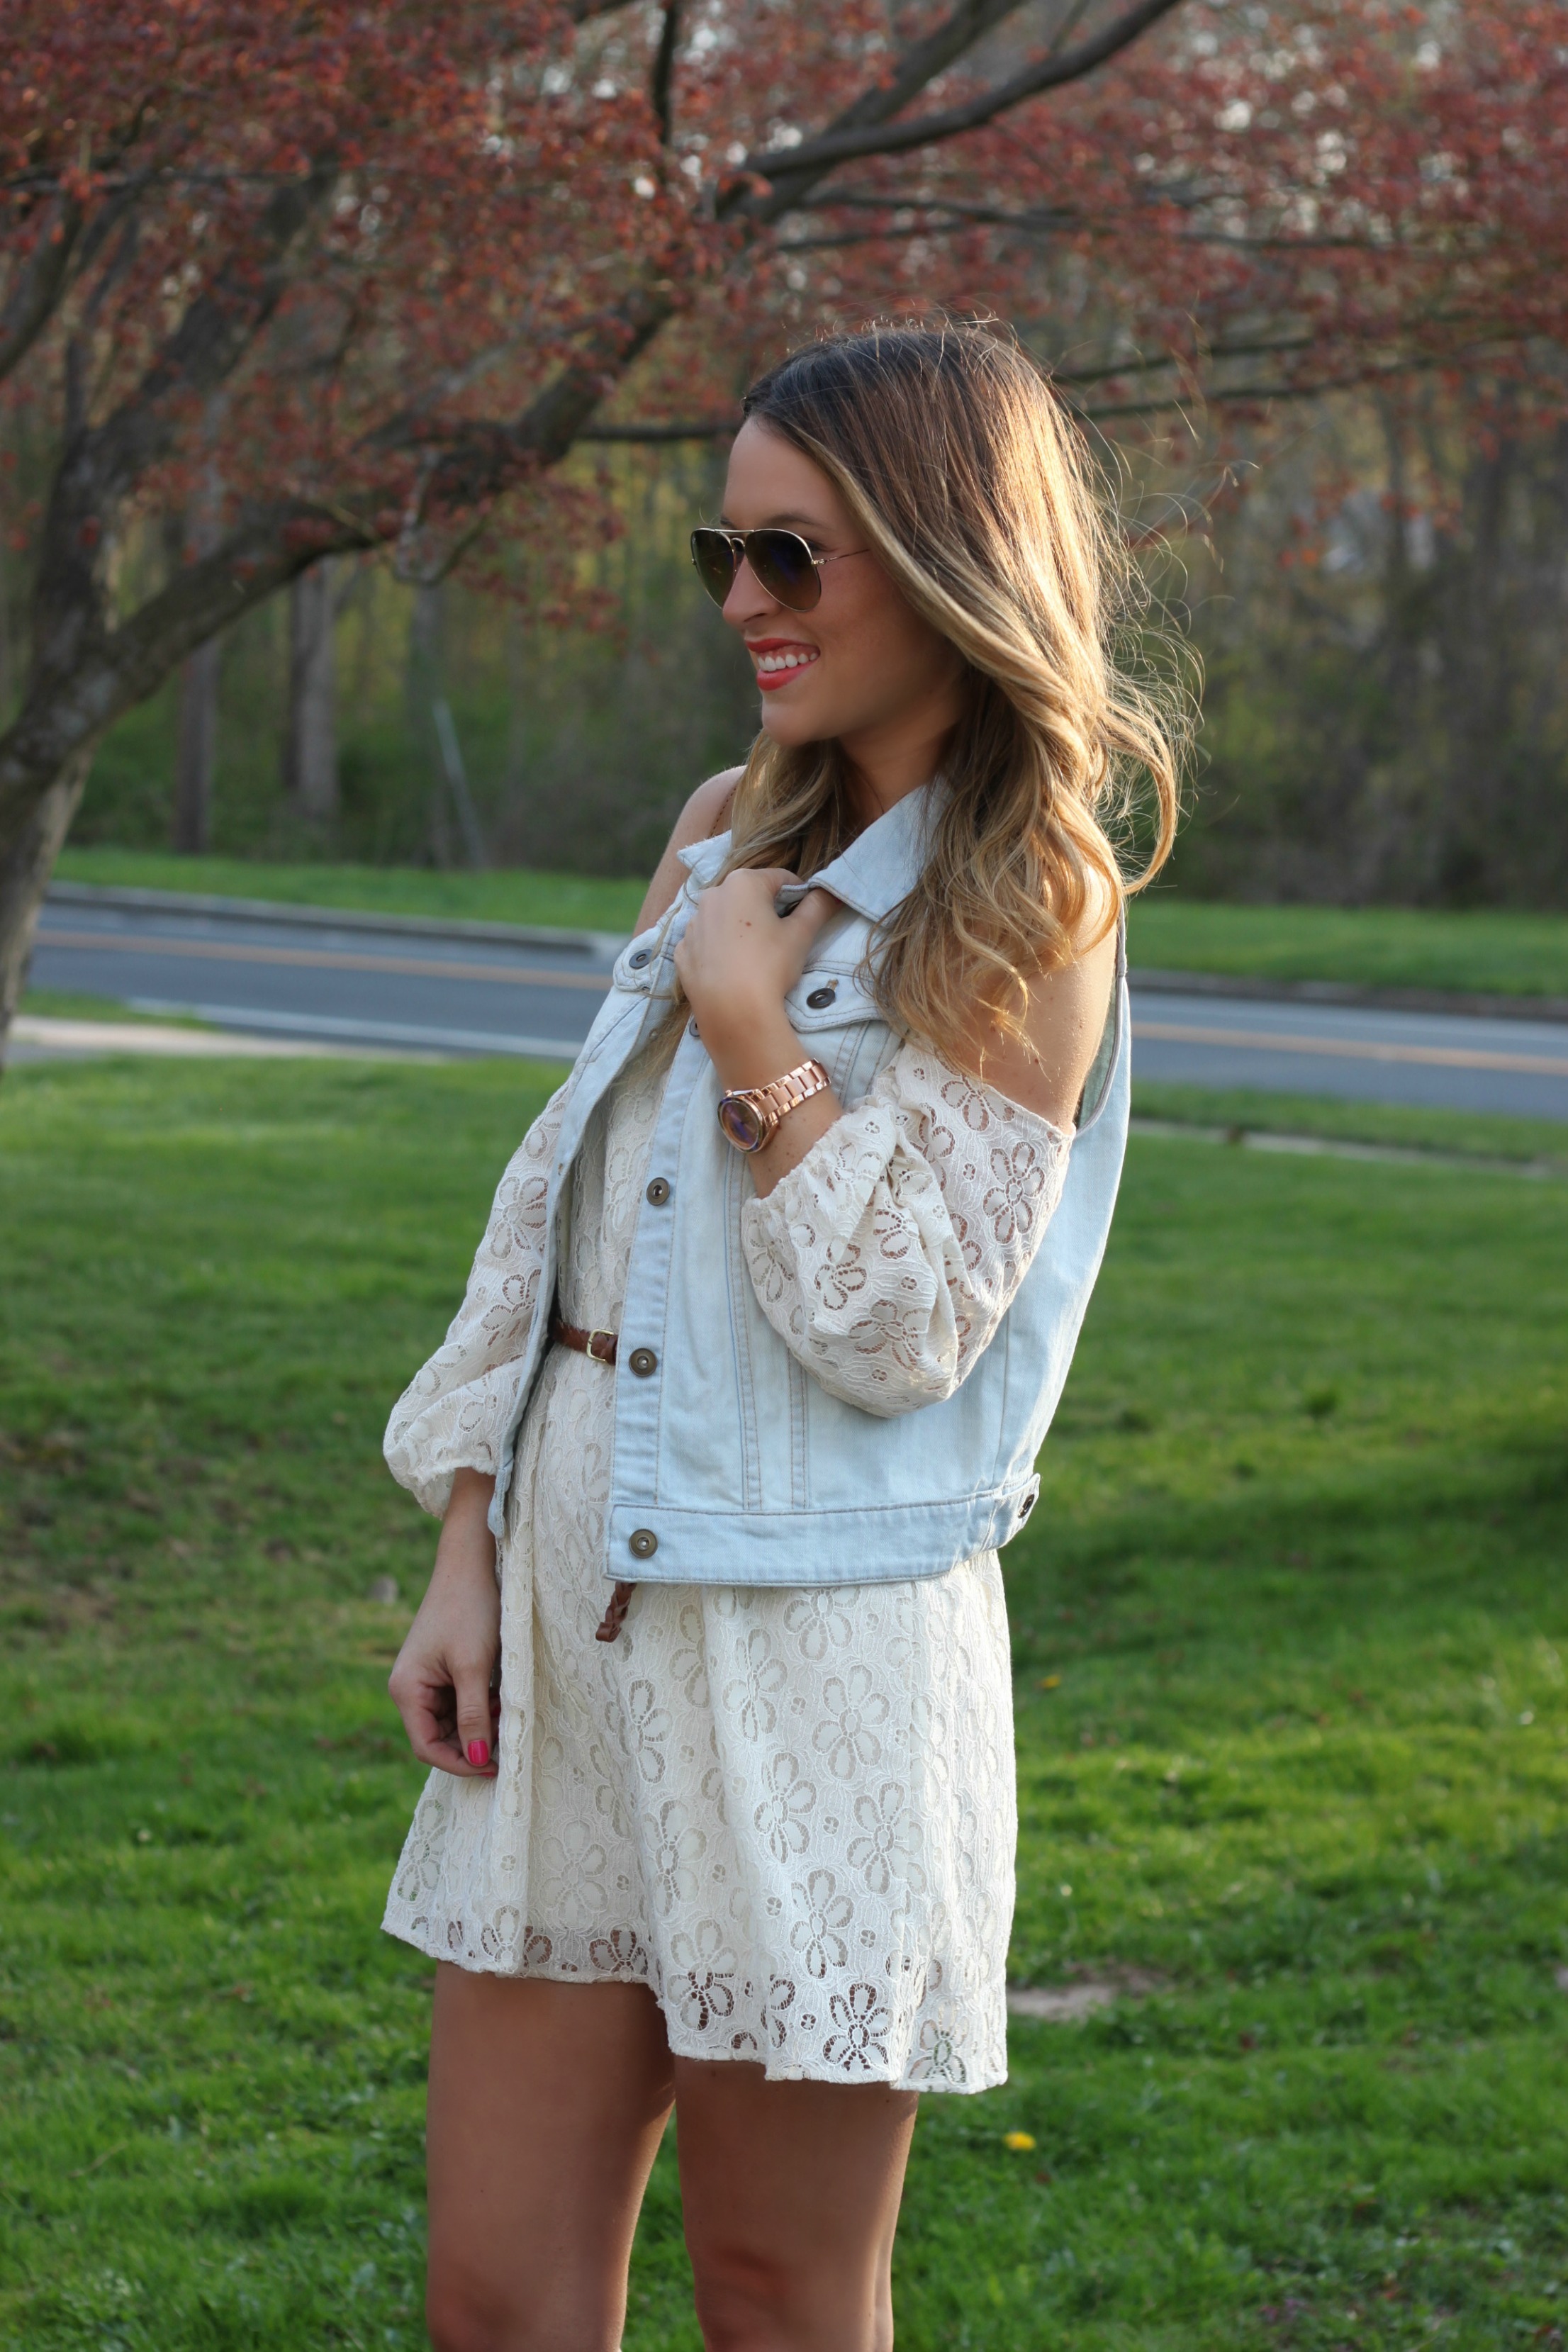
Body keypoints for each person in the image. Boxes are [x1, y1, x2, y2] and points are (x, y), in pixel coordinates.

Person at [383, 321, 1182, 2352]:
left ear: (942, 556)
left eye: (791, 556)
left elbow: (902, 1327)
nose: (742, 601)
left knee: (776, 2290)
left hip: (812, 1661)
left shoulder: (1030, 902)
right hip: (566, 1621)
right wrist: (462, 1530)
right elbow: (548, 1197)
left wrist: (759, 1043)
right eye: (719, 552)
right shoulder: (718, 824)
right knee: (493, 2296)